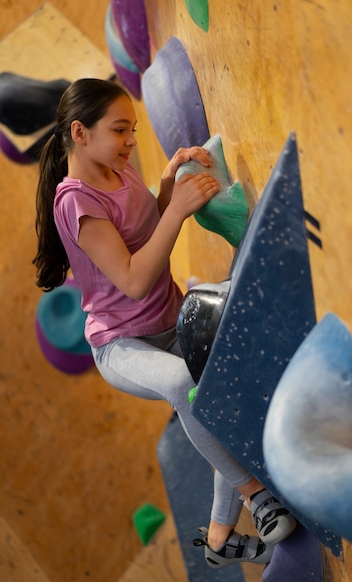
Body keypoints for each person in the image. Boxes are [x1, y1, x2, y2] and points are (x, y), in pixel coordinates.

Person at [33, 78, 296, 569]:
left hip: (170, 317)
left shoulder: (117, 167)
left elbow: (144, 227)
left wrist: (169, 182)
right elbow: (132, 280)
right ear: (80, 133)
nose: (132, 141)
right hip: (123, 344)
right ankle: (256, 498)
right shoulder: (75, 202)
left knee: (216, 395)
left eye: (132, 129)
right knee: (183, 382)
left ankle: (219, 536)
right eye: (120, 130)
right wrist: (176, 210)